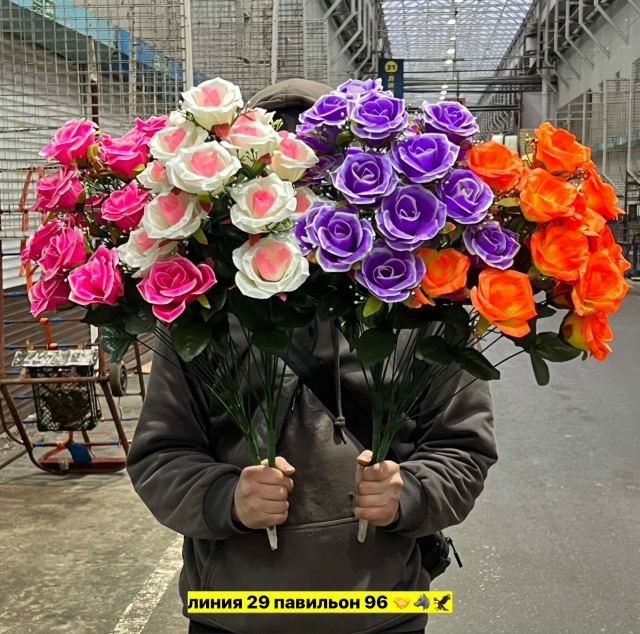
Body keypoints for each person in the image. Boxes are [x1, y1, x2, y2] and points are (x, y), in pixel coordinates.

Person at [126, 79, 498, 634]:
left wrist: (411, 493)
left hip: (382, 615)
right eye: (280, 169)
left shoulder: (416, 311)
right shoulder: (202, 318)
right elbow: (160, 454)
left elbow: (463, 447)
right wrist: (226, 498)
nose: (302, 194)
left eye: (320, 169)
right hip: (233, 616)